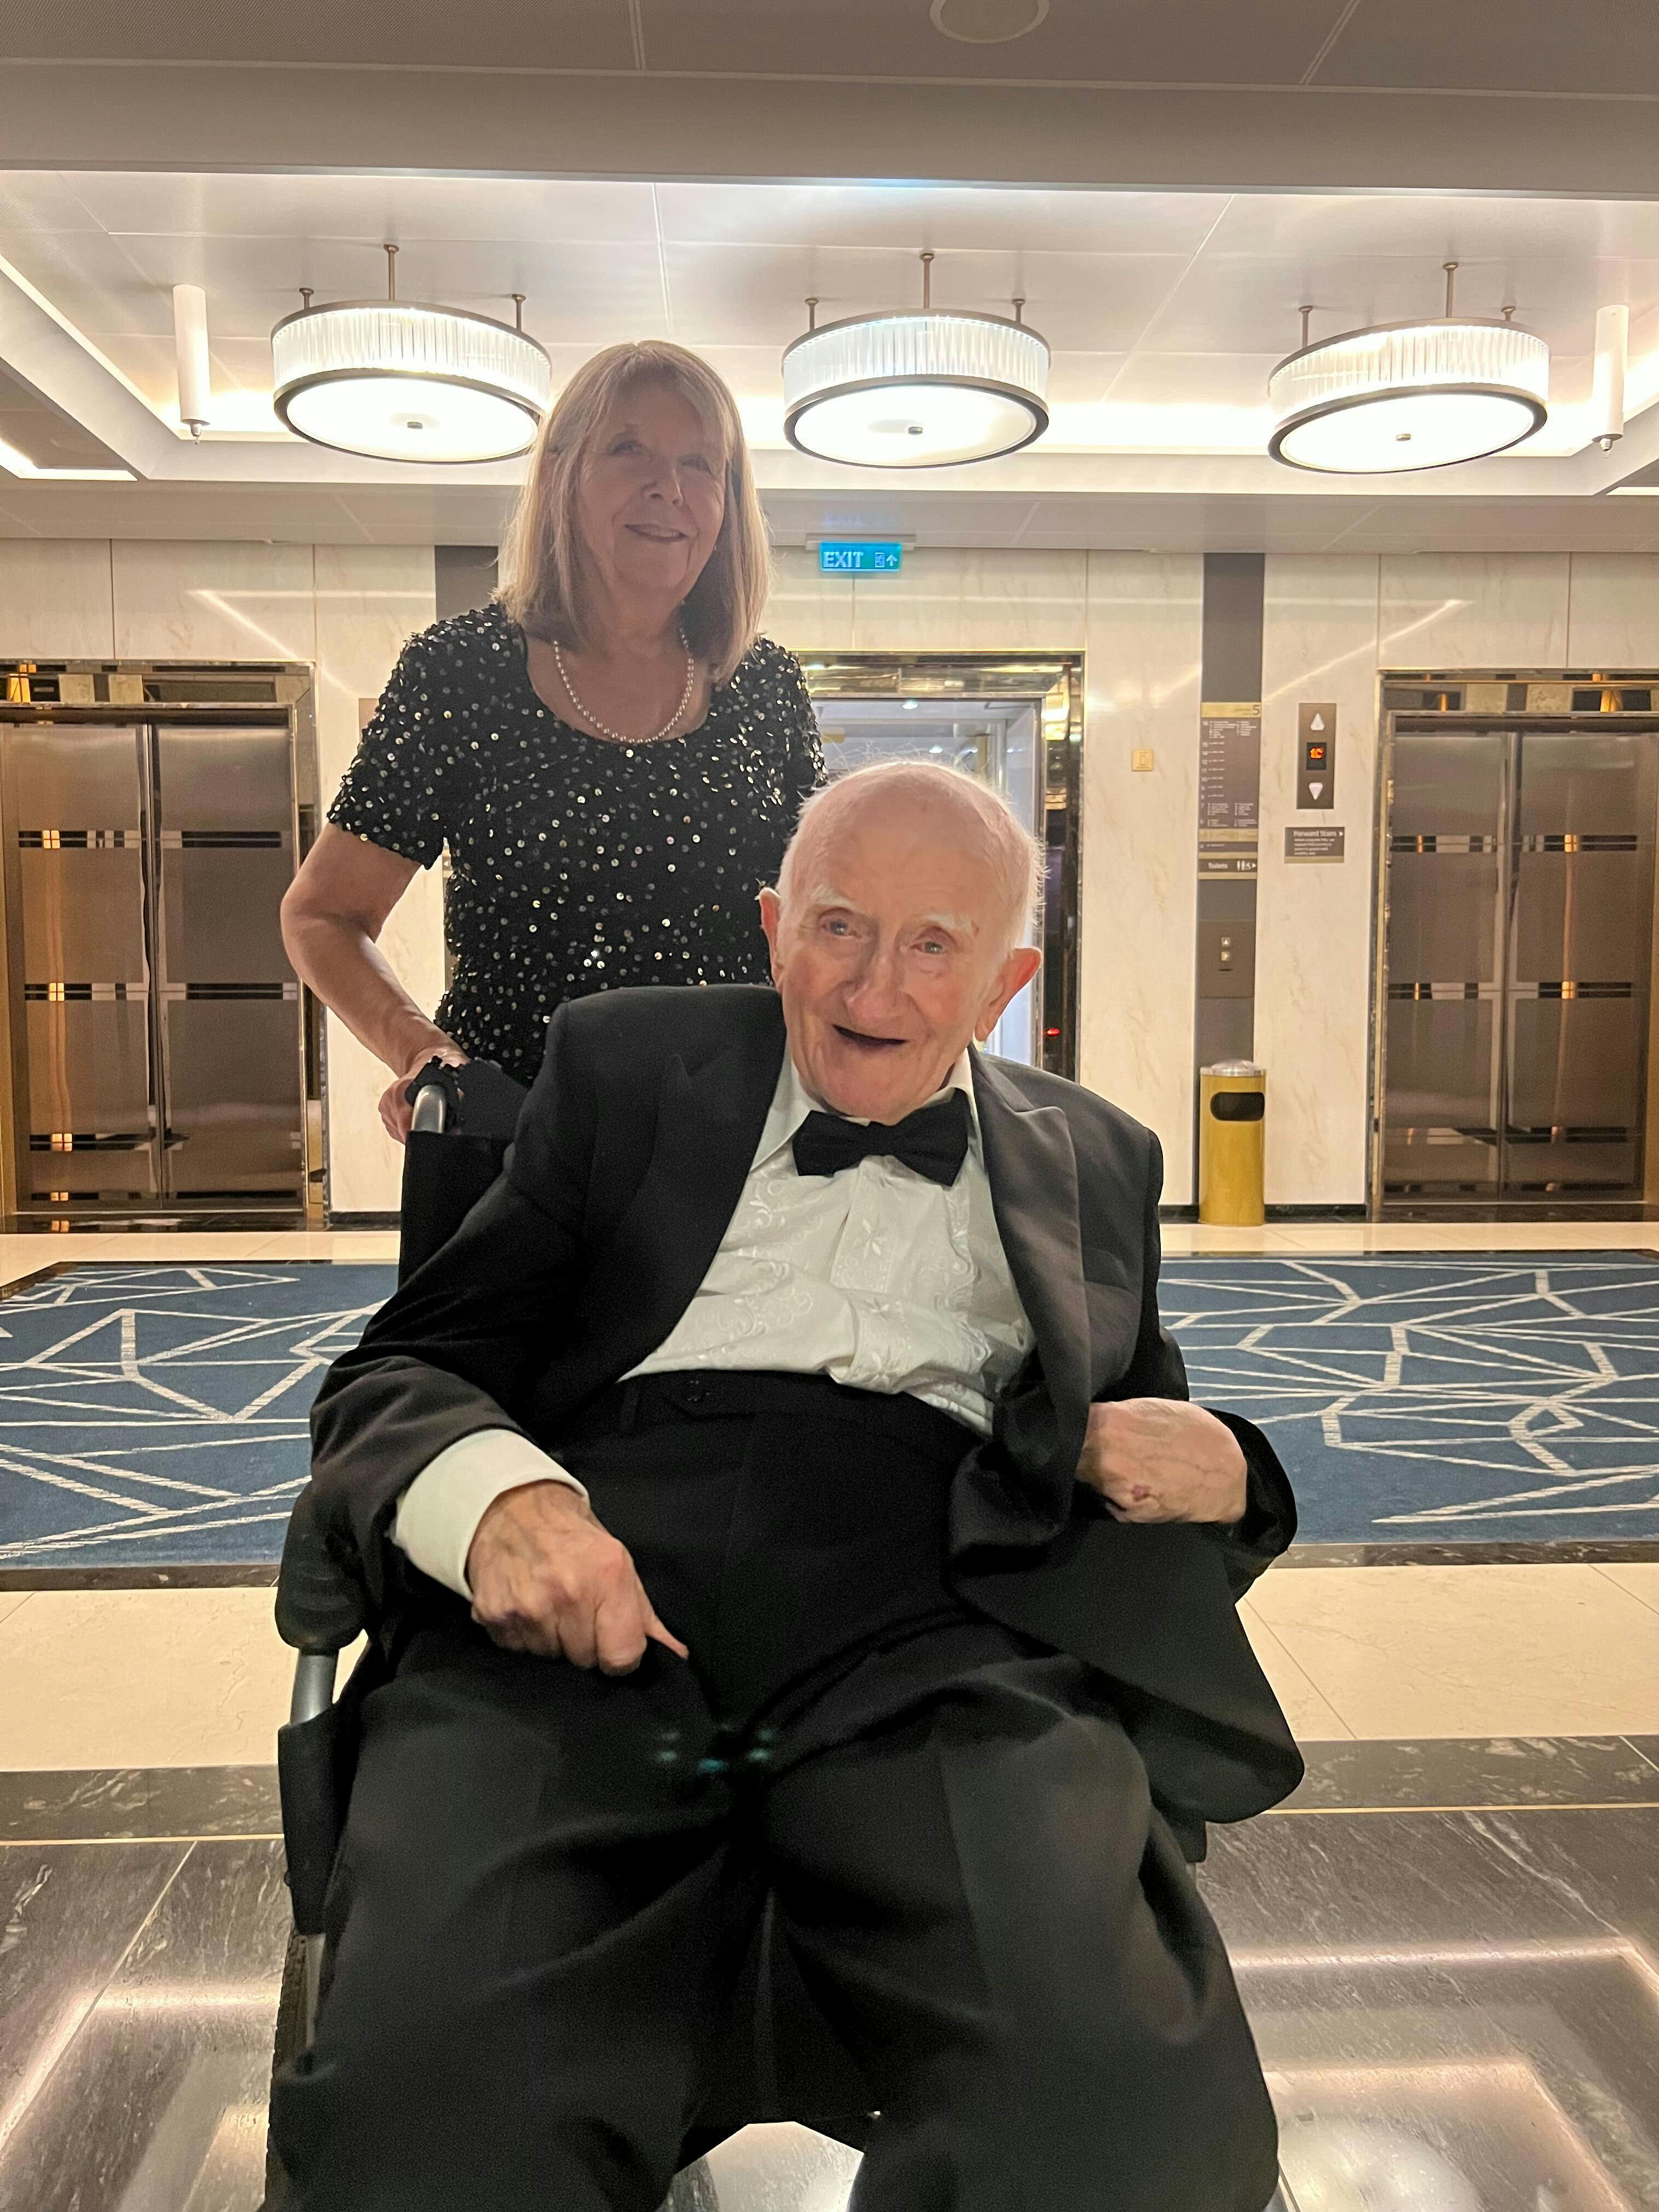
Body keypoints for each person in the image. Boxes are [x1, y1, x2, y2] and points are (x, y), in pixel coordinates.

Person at [270, 760, 1301, 2212]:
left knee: (1114, 2123)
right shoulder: (625, 1067)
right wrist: (500, 1502)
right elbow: (403, 1366)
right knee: (432, 2121)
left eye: (933, 945)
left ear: (1003, 983)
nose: (874, 986)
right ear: (773, 930)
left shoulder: (1098, 1160)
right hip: (585, 1601)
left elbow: (1147, 1451)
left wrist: (1240, 1472)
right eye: (838, 927)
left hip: (939, 1624)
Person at [280, 340, 823, 1139]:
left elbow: (823, 922)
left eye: (700, 464)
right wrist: (421, 1050)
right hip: (517, 1144)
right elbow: (323, 915)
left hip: (734, 1147)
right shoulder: (459, 672)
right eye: (629, 449)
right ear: (564, 476)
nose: (669, 488)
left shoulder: (767, 685)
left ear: (728, 503)